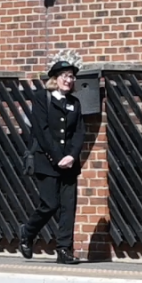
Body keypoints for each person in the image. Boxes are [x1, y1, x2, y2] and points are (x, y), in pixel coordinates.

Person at [18, 51, 87, 265]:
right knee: (50, 204)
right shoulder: (42, 98)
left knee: (68, 207)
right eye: (65, 76)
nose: (69, 80)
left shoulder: (74, 103)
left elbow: (79, 132)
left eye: (72, 76)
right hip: (46, 161)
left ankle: (64, 250)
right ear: (55, 79)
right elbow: (42, 130)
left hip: (69, 163)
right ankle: (27, 233)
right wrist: (58, 157)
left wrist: (72, 156)